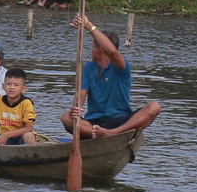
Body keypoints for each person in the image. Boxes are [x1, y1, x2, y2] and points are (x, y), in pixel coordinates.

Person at [62, 10, 163, 139]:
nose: (91, 50)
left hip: (120, 121)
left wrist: (89, 25)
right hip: (94, 123)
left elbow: (112, 51)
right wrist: (75, 108)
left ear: (101, 50)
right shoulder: (89, 67)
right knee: (66, 117)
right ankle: (97, 134)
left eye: (93, 47)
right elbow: (80, 97)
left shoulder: (120, 66)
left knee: (155, 107)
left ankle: (112, 134)